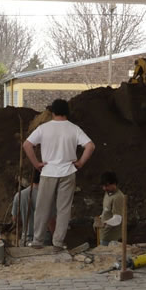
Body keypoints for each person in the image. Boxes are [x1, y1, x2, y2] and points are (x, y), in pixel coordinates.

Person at [23, 98, 95, 250]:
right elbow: (90, 146)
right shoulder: (74, 129)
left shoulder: (44, 128)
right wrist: (80, 162)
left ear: (53, 112)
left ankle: (37, 240)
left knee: (43, 207)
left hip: (48, 172)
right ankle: (58, 242)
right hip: (68, 172)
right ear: (67, 112)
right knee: (63, 208)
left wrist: (36, 164)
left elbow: (27, 145)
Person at [94, 171, 125, 246]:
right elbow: (106, 210)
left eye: (107, 185)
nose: (104, 188)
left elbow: (118, 219)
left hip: (112, 237)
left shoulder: (118, 197)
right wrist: (100, 218)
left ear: (114, 183)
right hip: (104, 234)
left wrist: (104, 223)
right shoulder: (108, 193)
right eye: (103, 186)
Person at [11, 170, 40, 244]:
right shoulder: (46, 196)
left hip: (25, 239)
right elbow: (51, 221)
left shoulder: (19, 195)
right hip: (42, 239)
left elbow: (15, 219)